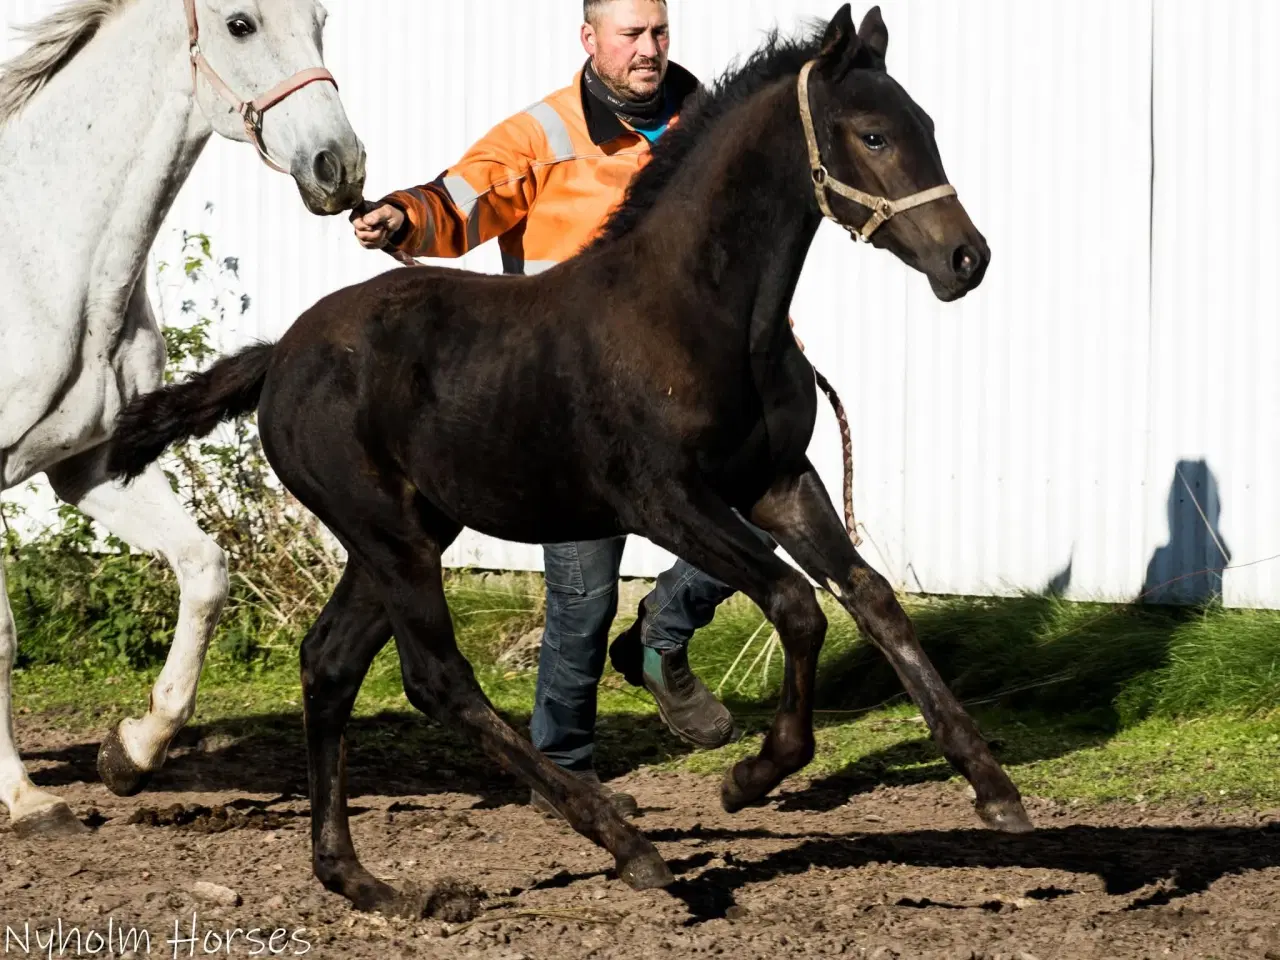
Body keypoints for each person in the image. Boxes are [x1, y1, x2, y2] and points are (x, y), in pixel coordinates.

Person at [351, 0, 772, 817]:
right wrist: (405, 215)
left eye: (658, 33)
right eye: (630, 36)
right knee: (581, 595)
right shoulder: (541, 134)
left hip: (694, 396)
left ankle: (662, 633)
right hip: (574, 405)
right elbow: (463, 198)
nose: (648, 50)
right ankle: (563, 764)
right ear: (590, 40)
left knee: (760, 523)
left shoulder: (709, 122)